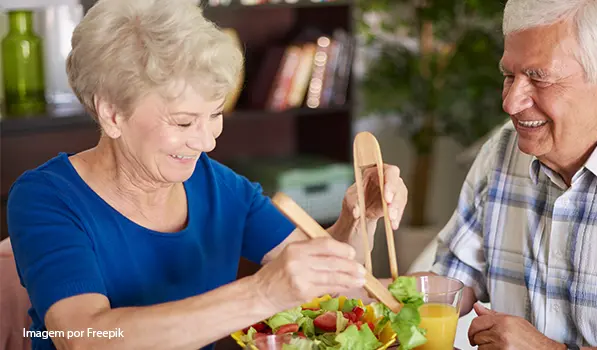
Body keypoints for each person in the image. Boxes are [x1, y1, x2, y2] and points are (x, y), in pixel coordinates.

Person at [5, 0, 408, 349]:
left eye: (214, 116)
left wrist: (359, 217)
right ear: (112, 113)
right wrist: (261, 294)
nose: (207, 142)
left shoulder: (220, 187)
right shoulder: (47, 197)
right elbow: (85, 338)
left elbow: (330, 284)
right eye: (183, 123)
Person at [418, 0, 597, 349]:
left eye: (538, 77)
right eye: (509, 75)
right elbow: (450, 284)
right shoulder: (502, 152)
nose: (510, 103)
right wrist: (349, 271)